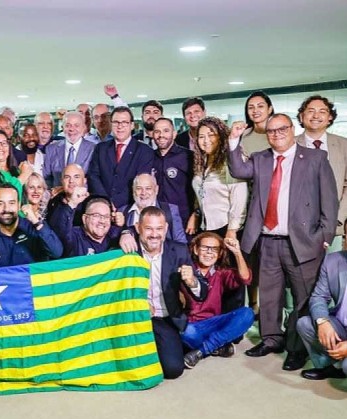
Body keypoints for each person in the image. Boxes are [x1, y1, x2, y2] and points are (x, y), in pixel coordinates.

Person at [229, 113, 338, 371]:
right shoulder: (261, 159)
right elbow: (238, 169)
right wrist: (233, 140)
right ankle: (271, 339)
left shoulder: (315, 158)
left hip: (302, 241)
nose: (276, 134)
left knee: (303, 297)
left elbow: (330, 202)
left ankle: (297, 348)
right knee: (269, 296)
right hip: (267, 240)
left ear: (292, 129)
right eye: (271, 131)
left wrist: (324, 237)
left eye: (282, 129)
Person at [135, 206, 207, 380]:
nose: (154, 234)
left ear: (166, 228)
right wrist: (138, 302)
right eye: (149, 228)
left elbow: (202, 292)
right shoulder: (128, 250)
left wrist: (192, 282)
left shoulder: (179, 251)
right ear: (138, 228)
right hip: (135, 318)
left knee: (173, 369)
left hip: (165, 318)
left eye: (159, 228)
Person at [181, 233, 255, 369]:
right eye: (205, 248)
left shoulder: (220, 273)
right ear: (196, 250)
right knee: (186, 332)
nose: (209, 252)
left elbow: (246, 278)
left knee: (247, 313)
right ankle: (217, 346)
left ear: (220, 253)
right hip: (192, 326)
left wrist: (237, 252)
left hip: (214, 323)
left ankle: (201, 351)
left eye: (214, 249)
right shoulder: (187, 270)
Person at [0, 184, 63, 269]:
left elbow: (57, 252)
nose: (6, 209)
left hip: (31, 291)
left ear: (19, 205)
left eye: (11, 203)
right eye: (0, 203)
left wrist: (36, 222)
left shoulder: (34, 228)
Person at [295, 95, 347, 253]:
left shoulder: (343, 145)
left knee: (332, 271)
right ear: (301, 116)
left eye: (322, 111)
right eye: (310, 111)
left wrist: (337, 218)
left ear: (330, 117)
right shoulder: (290, 145)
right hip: (297, 226)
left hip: (334, 224)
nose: (316, 116)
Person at [186, 117, 247, 240]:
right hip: (205, 226)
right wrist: (196, 214)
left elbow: (239, 198)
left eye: (211, 135)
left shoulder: (230, 161)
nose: (206, 140)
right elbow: (202, 192)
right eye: (201, 136)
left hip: (226, 228)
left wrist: (232, 230)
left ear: (221, 136)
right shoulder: (201, 161)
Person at [88, 106, 154, 209]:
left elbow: (141, 182)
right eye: (116, 122)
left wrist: (115, 203)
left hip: (129, 208)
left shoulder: (145, 151)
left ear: (132, 125)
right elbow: (93, 176)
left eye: (124, 122)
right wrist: (105, 202)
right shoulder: (100, 148)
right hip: (101, 206)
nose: (120, 126)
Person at [297, 250, 347, 380]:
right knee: (305, 324)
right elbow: (319, 296)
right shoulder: (333, 260)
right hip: (342, 326)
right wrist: (322, 321)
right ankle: (332, 367)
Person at [118, 173, 187, 252]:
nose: (143, 193)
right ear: (133, 190)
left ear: (156, 189)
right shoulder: (123, 211)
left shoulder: (170, 210)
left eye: (148, 188)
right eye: (139, 188)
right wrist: (123, 232)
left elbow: (181, 243)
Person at [151, 117, 194, 225]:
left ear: (174, 134)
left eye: (166, 131)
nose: (161, 135)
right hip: (156, 220)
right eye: (157, 131)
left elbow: (198, 190)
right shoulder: (149, 157)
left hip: (183, 220)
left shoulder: (188, 157)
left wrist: (195, 214)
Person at [53, 196, 122, 257]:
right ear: (84, 218)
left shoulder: (115, 235)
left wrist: (126, 233)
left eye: (106, 216)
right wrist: (72, 203)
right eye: (96, 215)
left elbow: (129, 231)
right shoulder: (74, 236)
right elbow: (61, 228)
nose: (102, 221)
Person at [43, 112, 96, 188]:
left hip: (84, 197)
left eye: (76, 125)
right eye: (68, 125)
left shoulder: (94, 149)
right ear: (62, 127)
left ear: (84, 127)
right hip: (57, 197)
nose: (71, 129)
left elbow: (94, 179)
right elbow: (46, 179)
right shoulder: (51, 149)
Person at [46, 163, 89, 229]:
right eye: (67, 177)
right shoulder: (54, 201)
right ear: (62, 181)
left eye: (76, 177)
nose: (71, 181)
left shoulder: (91, 204)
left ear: (84, 181)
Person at [237, 91, 275, 157]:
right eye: (251, 107)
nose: (255, 110)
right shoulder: (243, 134)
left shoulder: (278, 133)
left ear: (269, 109)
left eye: (260, 106)